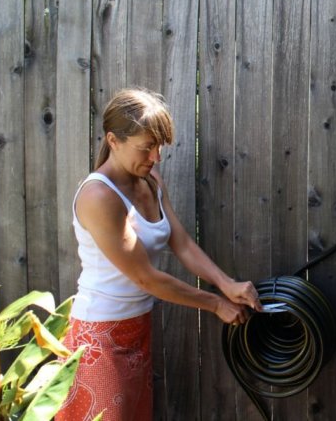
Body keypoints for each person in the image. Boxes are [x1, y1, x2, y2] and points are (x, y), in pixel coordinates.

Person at [56, 87, 262, 421]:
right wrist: (215, 304)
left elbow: (181, 243)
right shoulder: (99, 196)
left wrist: (226, 284)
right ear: (113, 140)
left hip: (137, 327)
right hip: (98, 338)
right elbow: (145, 278)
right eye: (146, 147)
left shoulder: (149, 179)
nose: (156, 157)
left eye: (159, 146)